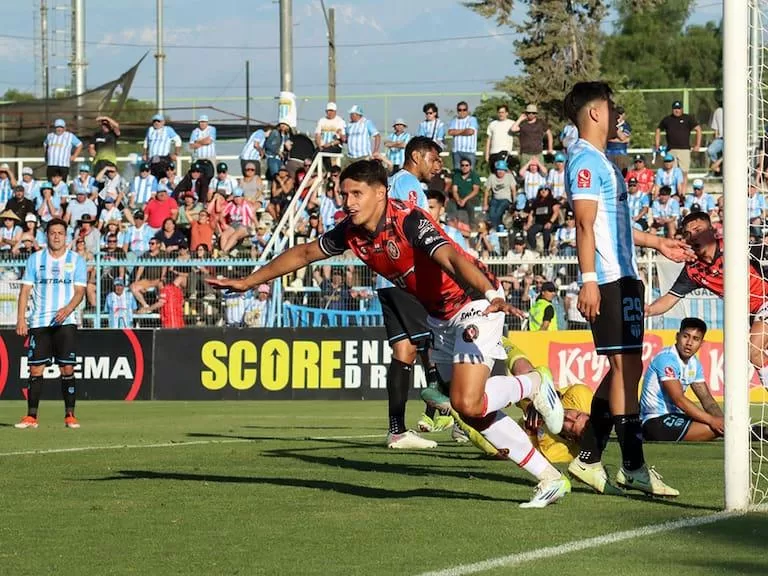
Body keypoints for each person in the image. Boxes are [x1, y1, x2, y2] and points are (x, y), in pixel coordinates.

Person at [207, 159, 573, 508]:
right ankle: (549, 478)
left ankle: (534, 385)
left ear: (380, 192)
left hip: (474, 302)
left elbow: (451, 258)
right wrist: (247, 282)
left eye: (355, 194)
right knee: (472, 412)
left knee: (465, 401)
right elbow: (303, 254)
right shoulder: (351, 233)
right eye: (343, 194)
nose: (347, 202)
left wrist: (492, 293)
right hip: (438, 317)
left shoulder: (409, 220)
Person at [563, 81, 692, 497]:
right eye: (612, 106)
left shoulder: (602, 161)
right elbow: (583, 225)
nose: (618, 113)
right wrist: (588, 282)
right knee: (624, 368)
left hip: (625, 276)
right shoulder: (583, 160)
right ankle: (633, 465)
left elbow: (609, 225)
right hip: (607, 280)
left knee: (626, 368)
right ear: (595, 113)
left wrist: (657, 242)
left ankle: (588, 458)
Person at [647, 211, 768, 390]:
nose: (693, 236)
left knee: (753, 351)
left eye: (698, 230)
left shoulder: (736, 247)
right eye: (688, 234)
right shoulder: (693, 269)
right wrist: (647, 310)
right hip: (751, 317)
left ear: (712, 231)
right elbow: (669, 299)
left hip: (764, 301)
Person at [377, 137, 445, 448]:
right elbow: (422, 228)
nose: (437, 165)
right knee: (434, 339)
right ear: (416, 156)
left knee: (403, 352)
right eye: (433, 158)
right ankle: (440, 409)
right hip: (405, 276)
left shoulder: (388, 184)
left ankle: (397, 431)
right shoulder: (409, 185)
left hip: (384, 279)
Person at [14, 218, 87, 429]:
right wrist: (21, 319)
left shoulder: (76, 260)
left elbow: (80, 291)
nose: (56, 236)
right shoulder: (35, 259)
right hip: (39, 322)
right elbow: (25, 290)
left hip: (66, 321)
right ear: (46, 236)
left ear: (66, 236)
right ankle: (31, 417)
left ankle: (70, 415)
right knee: (36, 370)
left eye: (60, 233)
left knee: (67, 367)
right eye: (52, 233)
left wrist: (68, 309)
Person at [640, 317, 724, 442]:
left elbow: (707, 400)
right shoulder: (667, 359)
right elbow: (679, 399)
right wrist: (713, 421)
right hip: (654, 420)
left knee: (719, 426)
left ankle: (753, 432)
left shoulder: (694, 364)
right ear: (677, 336)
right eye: (686, 336)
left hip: (675, 416)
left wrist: (722, 421)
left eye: (695, 339)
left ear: (701, 343)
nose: (689, 343)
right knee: (711, 428)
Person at [483, 160, 516, 230]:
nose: (500, 172)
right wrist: (485, 204)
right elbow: (486, 191)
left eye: (502, 170)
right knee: (492, 211)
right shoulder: (492, 177)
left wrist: (514, 202)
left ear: (505, 170)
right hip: (495, 199)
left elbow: (513, 190)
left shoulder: (509, 177)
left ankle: (495, 228)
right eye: (498, 170)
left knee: (499, 210)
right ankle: (494, 227)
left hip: (506, 200)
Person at [448, 101, 479, 170]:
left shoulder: (472, 119)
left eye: (464, 110)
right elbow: (450, 132)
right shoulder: (454, 120)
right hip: (457, 151)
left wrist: (457, 131)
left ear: (467, 110)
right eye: (460, 110)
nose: (462, 112)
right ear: (457, 111)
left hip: (469, 151)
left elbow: (470, 132)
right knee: (457, 173)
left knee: (470, 173)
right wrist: (464, 130)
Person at [189, 115, 217, 179]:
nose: (202, 123)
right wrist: (205, 140)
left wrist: (197, 141)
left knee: (211, 177)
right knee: (197, 178)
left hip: (210, 158)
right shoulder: (195, 131)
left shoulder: (212, 129)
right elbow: (191, 145)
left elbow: (209, 141)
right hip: (198, 158)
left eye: (204, 122)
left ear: (207, 122)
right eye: (201, 122)